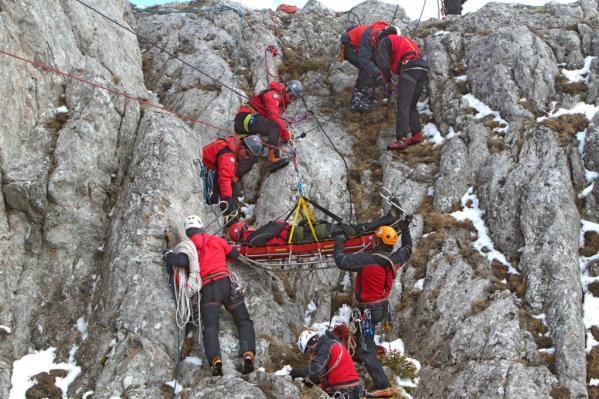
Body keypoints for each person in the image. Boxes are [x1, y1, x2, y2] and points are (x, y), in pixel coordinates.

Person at [164, 215, 256, 376]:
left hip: (208, 289)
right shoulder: (216, 240)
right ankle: (248, 355)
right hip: (226, 284)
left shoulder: (189, 247)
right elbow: (234, 254)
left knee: (211, 328)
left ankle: (216, 360)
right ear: (201, 227)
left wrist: (168, 254)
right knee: (243, 321)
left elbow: (180, 261)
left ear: (187, 232)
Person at [333, 217, 412, 390]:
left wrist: (338, 241)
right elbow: (407, 248)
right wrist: (405, 229)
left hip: (366, 312)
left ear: (378, 242)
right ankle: (356, 360)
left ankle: (383, 386)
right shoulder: (394, 259)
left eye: (375, 240)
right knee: (360, 339)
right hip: (379, 309)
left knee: (366, 350)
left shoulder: (367, 261)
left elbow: (341, 261)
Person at [227, 204, 403, 246]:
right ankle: (388, 221)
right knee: (351, 230)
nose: (249, 226)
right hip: (308, 235)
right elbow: (259, 238)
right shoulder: (251, 238)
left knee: (351, 230)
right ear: (242, 230)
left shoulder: (252, 236)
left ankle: (389, 223)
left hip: (305, 233)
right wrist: (278, 224)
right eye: (246, 226)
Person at [375, 34, 429, 150]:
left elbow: (383, 65)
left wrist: (388, 81)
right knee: (411, 105)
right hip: (422, 69)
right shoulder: (406, 41)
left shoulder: (385, 40)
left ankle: (401, 138)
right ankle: (416, 134)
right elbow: (398, 66)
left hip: (410, 68)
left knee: (402, 104)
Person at [234, 80, 303, 165]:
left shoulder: (280, 101)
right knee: (274, 127)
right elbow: (274, 117)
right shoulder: (274, 95)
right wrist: (287, 136)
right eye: (291, 96)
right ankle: (273, 157)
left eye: (294, 98)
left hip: (248, 123)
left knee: (252, 155)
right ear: (286, 90)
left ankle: (236, 173)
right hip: (246, 117)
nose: (291, 100)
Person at [340, 22, 399, 112]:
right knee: (367, 67)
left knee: (373, 67)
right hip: (349, 46)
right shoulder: (369, 34)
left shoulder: (382, 37)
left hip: (359, 47)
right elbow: (364, 60)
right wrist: (379, 75)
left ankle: (367, 94)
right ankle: (358, 99)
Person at [290, 329, 364, 399]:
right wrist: (311, 381)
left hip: (344, 390)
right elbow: (324, 371)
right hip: (353, 389)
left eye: (310, 352)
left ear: (310, 348)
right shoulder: (333, 343)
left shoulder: (325, 347)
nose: (312, 355)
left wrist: (296, 372)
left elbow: (317, 369)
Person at [202, 134, 265, 215]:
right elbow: (225, 178)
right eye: (247, 154)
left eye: (249, 157)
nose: (246, 158)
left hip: (209, 169)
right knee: (227, 189)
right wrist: (227, 199)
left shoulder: (231, 147)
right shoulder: (228, 156)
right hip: (206, 172)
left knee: (232, 188)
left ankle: (231, 212)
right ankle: (226, 212)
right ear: (242, 147)